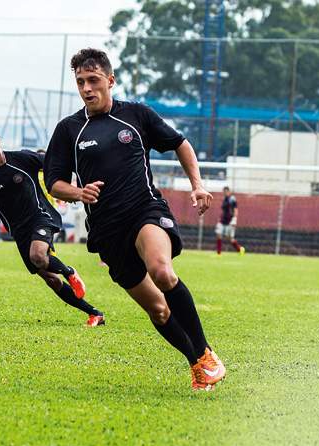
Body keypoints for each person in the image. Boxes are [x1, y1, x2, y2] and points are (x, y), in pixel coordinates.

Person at [44, 48, 226, 391]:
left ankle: (205, 353)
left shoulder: (136, 116)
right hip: (107, 232)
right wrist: (78, 193)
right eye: (81, 82)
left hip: (145, 211)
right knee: (157, 310)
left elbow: (180, 143)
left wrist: (198, 186)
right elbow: (53, 180)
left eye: (94, 80)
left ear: (110, 80)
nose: (87, 88)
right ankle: (197, 365)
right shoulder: (69, 129)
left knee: (162, 271)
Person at [0, 126, 105, 327]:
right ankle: (95, 314)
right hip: (19, 232)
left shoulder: (22, 158)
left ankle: (70, 272)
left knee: (37, 256)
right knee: (51, 280)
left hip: (40, 217)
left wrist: (70, 188)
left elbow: (53, 165)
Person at [215, 186, 245, 257]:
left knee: (229, 238)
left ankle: (239, 249)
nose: (224, 193)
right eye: (223, 191)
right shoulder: (223, 200)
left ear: (228, 191)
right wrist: (219, 219)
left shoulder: (232, 199)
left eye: (225, 191)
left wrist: (235, 219)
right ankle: (218, 254)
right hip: (223, 220)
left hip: (229, 221)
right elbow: (222, 210)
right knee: (219, 234)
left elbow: (235, 210)